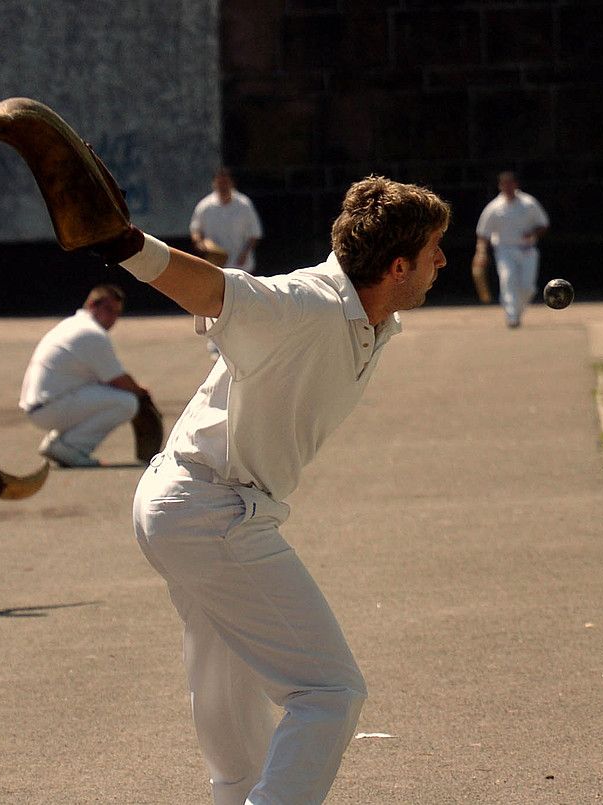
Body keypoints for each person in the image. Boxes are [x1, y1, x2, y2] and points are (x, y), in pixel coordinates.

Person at [109, 175, 448, 804]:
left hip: (183, 505)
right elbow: (210, 290)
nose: (444, 261)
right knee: (328, 692)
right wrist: (125, 244)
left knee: (228, 692)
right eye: (435, 249)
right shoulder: (305, 304)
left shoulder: (372, 317)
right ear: (398, 265)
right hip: (210, 510)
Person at [20, 284, 150, 468]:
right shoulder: (91, 332)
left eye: (116, 313)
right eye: (108, 310)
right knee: (127, 402)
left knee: (108, 393)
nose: (112, 317)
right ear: (91, 305)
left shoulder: (73, 324)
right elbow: (117, 379)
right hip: (48, 407)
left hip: (43, 406)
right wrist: (141, 392)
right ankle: (71, 448)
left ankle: (56, 443)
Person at [473, 171, 550, 328]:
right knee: (508, 280)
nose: (507, 187)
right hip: (505, 250)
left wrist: (533, 233)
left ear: (516, 185)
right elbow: (483, 234)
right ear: (500, 186)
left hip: (527, 250)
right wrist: (480, 253)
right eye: (504, 184)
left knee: (528, 288)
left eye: (510, 184)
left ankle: (517, 311)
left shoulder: (529, 203)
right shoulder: (494, 208)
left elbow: (543, 224)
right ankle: (512, 317)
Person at [190, 167, 263, 273]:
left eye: (225, 183)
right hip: (217, 267)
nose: (223, 186)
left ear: (231, 183)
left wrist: (244, 254)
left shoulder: (244, 205)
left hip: (241, 267)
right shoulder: (205, 206)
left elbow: (255, 233)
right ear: (214, 184)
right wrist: (200, 244)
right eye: (220, 183)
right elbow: (195, 229)